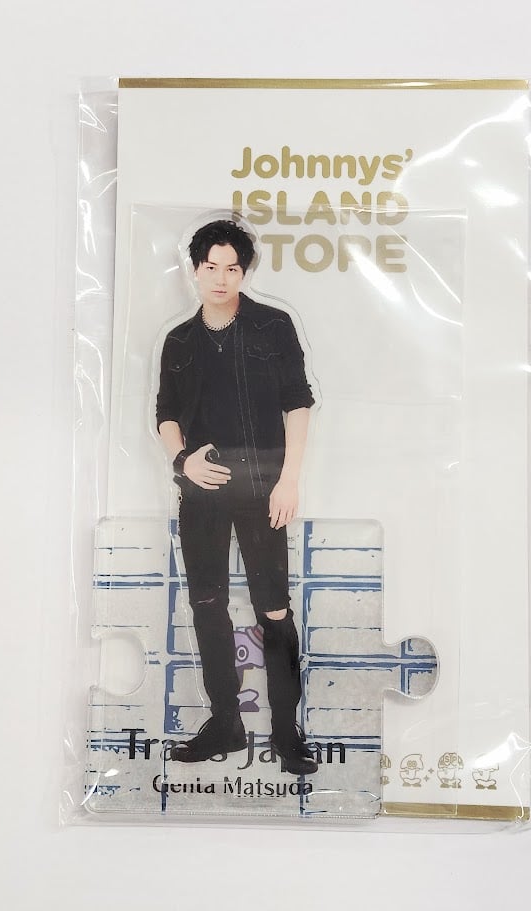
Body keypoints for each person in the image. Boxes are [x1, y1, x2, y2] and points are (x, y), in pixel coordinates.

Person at [156, 219, 318, 775]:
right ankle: (225, 722)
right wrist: (183, 461)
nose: (221, 278)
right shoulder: (179, 340)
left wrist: (289, 479)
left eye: (232, 268)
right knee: (207, 605)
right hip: (200, 491)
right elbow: (166, 414)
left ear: (244, 271)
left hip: (262, 488)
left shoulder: (273, 326)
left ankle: (286, 733)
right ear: (195, 270)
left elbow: (298, 402)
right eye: (211, 267)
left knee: (274, 609)